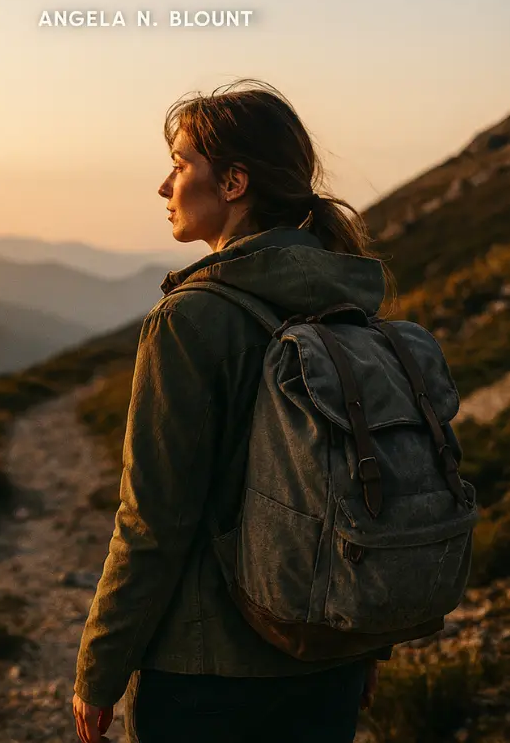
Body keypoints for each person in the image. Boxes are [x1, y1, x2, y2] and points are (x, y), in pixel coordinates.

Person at [72, 80, 392, 743]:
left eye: (180, 164)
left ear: (233, 182)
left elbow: (152, 522)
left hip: (208, 675)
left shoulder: (190, 319)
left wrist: (98, 668)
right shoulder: (347, 300)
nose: (164, 187)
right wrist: (365, 645)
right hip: (328, 651)